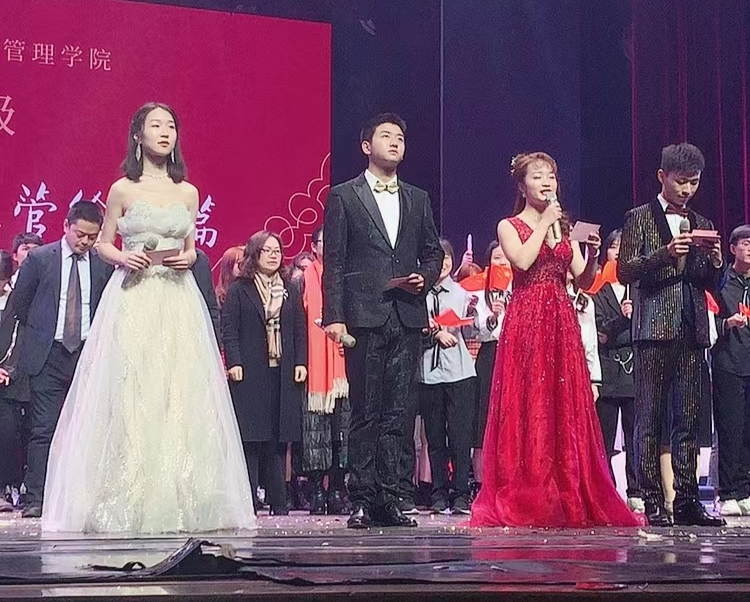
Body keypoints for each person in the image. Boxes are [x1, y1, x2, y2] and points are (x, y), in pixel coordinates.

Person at [40, 102, 255, 533]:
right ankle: (127, 498)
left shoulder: (187, 192)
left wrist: (187, 259)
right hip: (134, 296)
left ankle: (183, 499)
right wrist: (124, 257)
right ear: (137, 135)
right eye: (155, 125)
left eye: (171, 126)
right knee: (133, 391)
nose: (165, 132)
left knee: (180, 392)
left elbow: (191, 248)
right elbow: (104, 243)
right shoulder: (122, 188)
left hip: (177, 298)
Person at [470, 152, 640, 528]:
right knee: (529, 400)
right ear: (521, 186)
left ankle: (567, 488)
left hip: (562, 319)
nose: (547, 182)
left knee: (562, 402)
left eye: (551, 176)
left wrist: (591, 252)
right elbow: (522, 262)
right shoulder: (509, 225)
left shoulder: (563, 227)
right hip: (527, 318)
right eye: (538, 176)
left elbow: (584, 279)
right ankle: (530, 490)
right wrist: (545, 222)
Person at [322, 113, 443, 529]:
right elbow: (334, 261)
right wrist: (335, 317)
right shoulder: (344, 196)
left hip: (406, 314)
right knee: (365, 411)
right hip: (364, 316)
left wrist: (424, 277)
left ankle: (390, 498)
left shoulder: (417, 198)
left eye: (400, 138)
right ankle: (361, 497)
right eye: (386, 136)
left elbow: (433, 252)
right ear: (366, 146)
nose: (395, 143)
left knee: (399, 413)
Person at [618, 142, 725, 527]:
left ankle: (687, 501)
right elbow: (624, 270)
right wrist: (665, 252)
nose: (687, 190)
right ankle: (651, 500)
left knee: (689, 419)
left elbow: (708, 283)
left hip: (691, 328)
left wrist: (715, 262)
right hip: (652, 328)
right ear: (662, 176)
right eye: (681, 182)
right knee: (649, 418)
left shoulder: (702, 222)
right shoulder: (639, 218)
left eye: (694, 183)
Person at [11, 202, 113, 519]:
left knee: (88, 428)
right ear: (66, 226)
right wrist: (42, 333)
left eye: (92, 237)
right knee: (44, 429)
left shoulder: (102, 263)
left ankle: (81, 498)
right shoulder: (41, 259)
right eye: (80, 234)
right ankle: (37, 498)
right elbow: (21, 304)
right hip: (49, 354)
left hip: (88, 354)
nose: (85, 241)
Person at [222, 231, 307, 516]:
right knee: (251, 438)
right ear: (254, 254)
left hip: (282, 370)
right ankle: (248, 500)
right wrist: (234, 362)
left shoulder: (289, 288)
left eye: (277, 251)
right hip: (249, 371)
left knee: (278, 438)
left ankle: (278, 501)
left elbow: (299, 329)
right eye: (267, 250)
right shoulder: (240, 289)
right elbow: (230, 329)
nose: (273, 256)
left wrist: (301, 362)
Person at [419, 239, 477, 515]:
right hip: (428, 373)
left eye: (447, 258)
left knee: (460, 436)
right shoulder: (419, 297)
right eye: (438, 258)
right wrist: (434, 333)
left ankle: (461, 493)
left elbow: (475, 333)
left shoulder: (462, 293)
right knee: (435, 438)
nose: (443, 263)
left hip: (459, 373)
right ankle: (438, 492)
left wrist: (476, 314)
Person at [301, 225, 351, 515]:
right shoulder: (303, 279)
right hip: (314, 367)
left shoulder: (347, 277)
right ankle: (316, 491)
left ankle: (337, 489)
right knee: (315, 432)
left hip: (344, 366)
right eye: (324, 241)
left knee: (341, 432)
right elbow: (298, 324)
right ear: (314, 247)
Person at [593, 229, 643, 513]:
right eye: (614, 247)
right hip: (608, 370)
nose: (619, 253)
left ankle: (636, 489)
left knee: (636, 436)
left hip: (634, 369)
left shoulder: (638, 288)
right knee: (605, 436)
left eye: (624, 248)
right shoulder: (597, 291)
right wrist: (621, 320)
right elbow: (600, 332)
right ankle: (607, 489)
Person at [711, 225, 750, 516]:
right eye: (745, 243)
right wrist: (727, 323)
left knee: (748, 430)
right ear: (733, 248)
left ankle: (744, 489)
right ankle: (727, 492)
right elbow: (707, 319)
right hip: (728, 362)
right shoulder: (722, 281)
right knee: (730, 429)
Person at [471, 241, 510, 499]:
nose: (502, 262)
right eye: (497, 257)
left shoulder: (518, 288)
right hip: (489, 354)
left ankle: (508, 481)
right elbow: (479, 331)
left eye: (506, 257)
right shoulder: (479, 292)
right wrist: (493, 316)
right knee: (483, 418)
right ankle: (480, 483)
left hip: (513, 354)